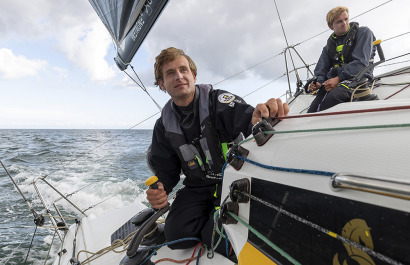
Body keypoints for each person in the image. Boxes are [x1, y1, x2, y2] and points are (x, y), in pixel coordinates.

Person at [146, 47, 289, 256]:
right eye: (170, 73)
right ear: (162, 84)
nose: (179, 76)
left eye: (183, 70)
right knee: (175, 237)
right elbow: (167, 171)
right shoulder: (163, 126)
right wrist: (160, 190)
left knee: (216, 238)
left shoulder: (218, 102)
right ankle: (209, 217)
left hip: (232, 181)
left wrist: (263, 116)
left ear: (193, 75)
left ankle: (209, 224)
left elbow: (250, 120)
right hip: (197, 187)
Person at [307, 6, 376, 113]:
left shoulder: (364, 32)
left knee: (330, 101)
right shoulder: (328, 47)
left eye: (346, 19)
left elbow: (360, 62)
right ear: (331, 26)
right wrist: (318, 83)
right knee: (312, 110)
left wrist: (339, 78)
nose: (344, 23)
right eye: (339, 21)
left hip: (357, 78)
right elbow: (321, 71)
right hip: (337, 81)